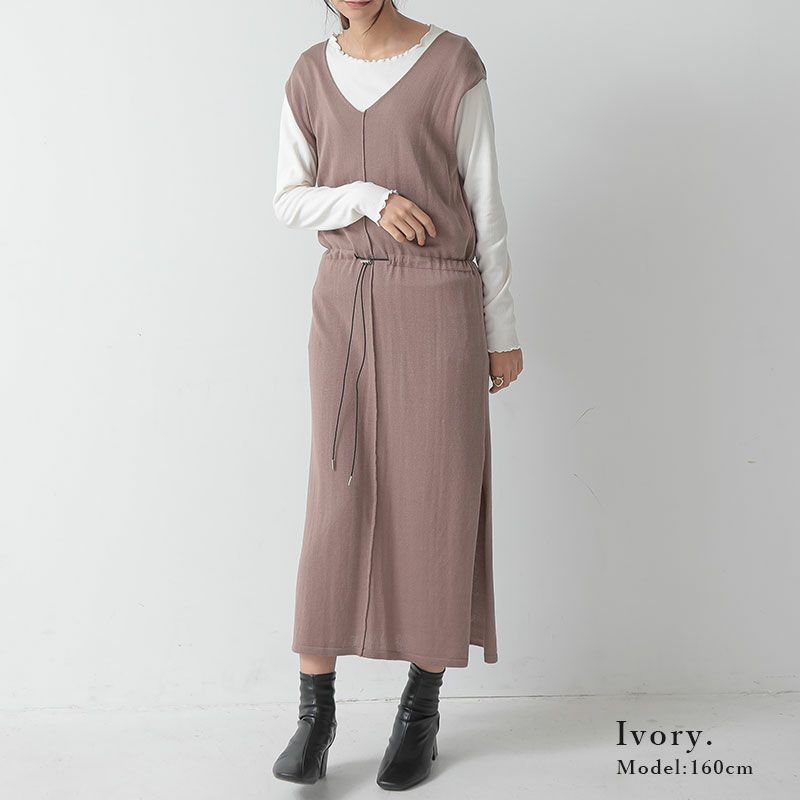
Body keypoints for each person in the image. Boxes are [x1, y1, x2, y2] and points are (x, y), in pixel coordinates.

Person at [271, 0, 523, 790]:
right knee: (336, 500)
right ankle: (315, 716)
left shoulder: (453, 64)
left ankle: (421, 711)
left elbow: (486, 202)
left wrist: (502, 327)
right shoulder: (309, 75)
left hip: (440, 302)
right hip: (344, 302)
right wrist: (366, 196)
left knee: (435, 501)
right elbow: (288, 199)